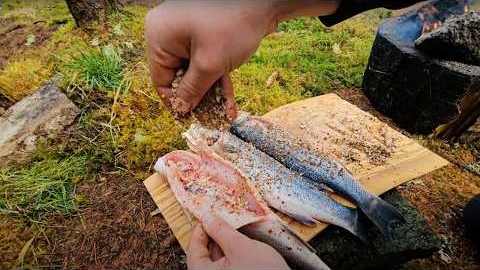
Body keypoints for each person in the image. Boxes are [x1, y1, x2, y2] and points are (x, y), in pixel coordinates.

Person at [145, 1, 424, 268]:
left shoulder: (231, 135)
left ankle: (362, 208)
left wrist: (255, 8)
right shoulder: (226, 141)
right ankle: (354, 216)